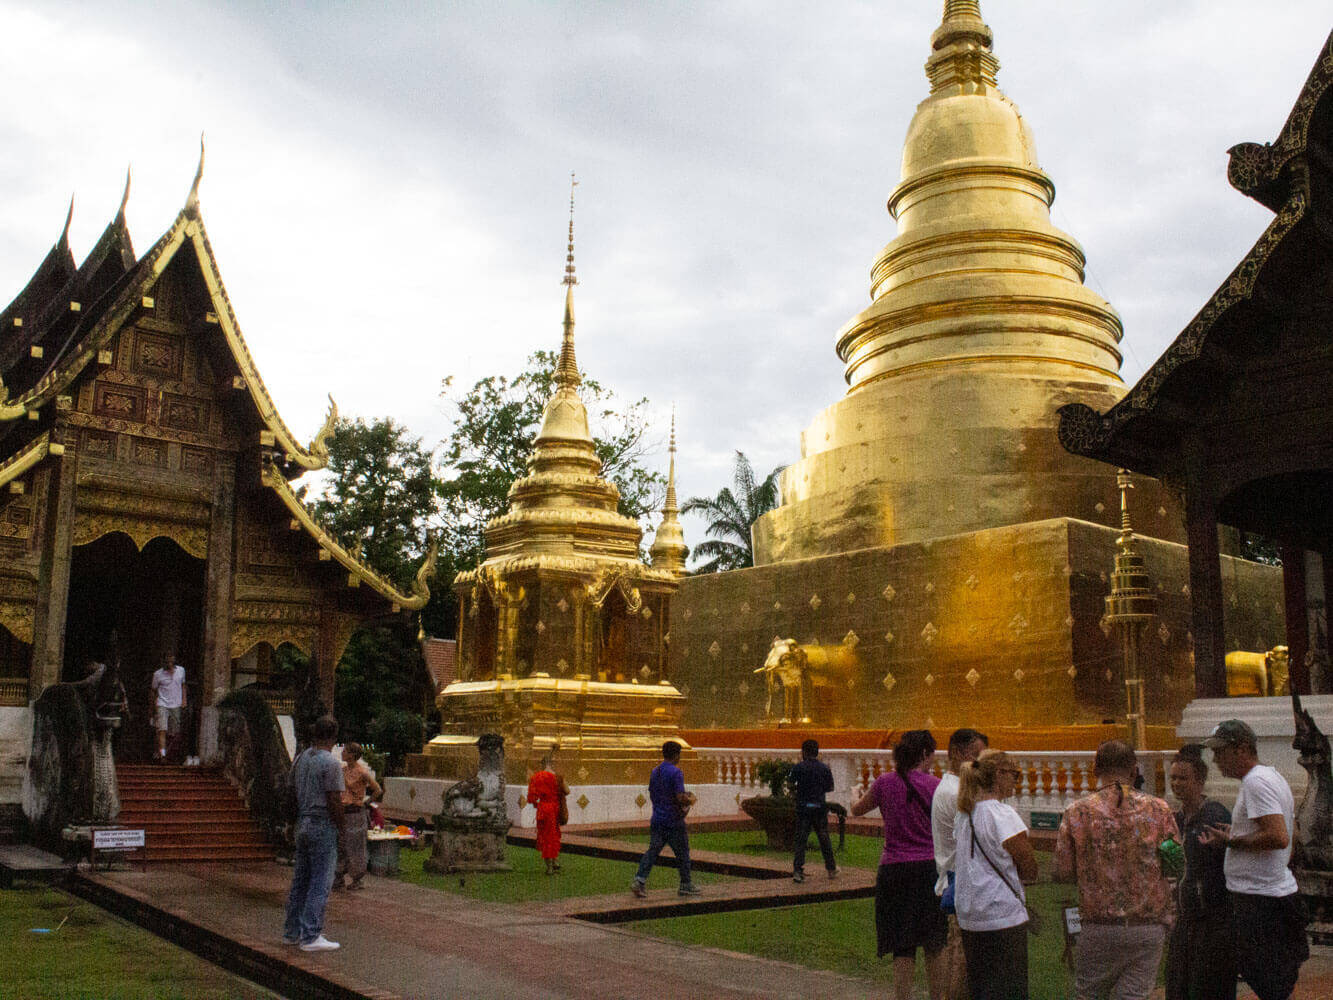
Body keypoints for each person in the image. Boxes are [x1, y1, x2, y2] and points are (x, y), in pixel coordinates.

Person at [1054, 740, 1178, 1000]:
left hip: (1099, 926)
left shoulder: (1077, 812)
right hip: (1147, 925)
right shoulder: (1159, 809)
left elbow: (1062, 871)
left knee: (1089, 995)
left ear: (1095, 769)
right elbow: (1175, 864)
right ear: (1134, 770)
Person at [1199, 719, 1308, 1000]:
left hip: (1261, 901)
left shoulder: (1256, 782)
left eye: (1220, 751)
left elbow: (1278, 836)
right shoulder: (1270, 777)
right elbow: (1290, 833)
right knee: (1274, 983)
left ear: (1241, 749)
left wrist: (1232, 841)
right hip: (1270, 894)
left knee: (1268, 981)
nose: (1216, 759)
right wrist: (1239, 835)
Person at [852, 729, 948, 1000]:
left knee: (902, 944)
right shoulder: (936, 786)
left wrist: (854, 793)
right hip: (929, 868)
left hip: (894, 868)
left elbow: (857, 809)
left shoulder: (885, 782)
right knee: (934, 941)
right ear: (925, 754)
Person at [953, 750, 1037, 1000]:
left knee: (981, 988)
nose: (1016, 781)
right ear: (999, 774)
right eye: (1014, 775)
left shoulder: (965, 815)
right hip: (1002, 915)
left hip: (971, 914)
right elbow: (1028, 864)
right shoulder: (1002, 814)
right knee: (1010, 990)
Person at [1165, 745, 1235, 1000]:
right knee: (1177, 986)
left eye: (1183, 778)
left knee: (1210, 988)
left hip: (1213, 921)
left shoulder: (1215, 816)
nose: (1176, 784)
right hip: (1184, 920)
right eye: (1173, 778)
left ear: (1200, 780)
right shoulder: (1175, 820)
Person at [933, 727, 989, 1000]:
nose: (979, 766)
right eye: (975, 757)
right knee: (961, 962)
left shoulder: (957, 789)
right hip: (961, 885)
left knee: (965, 961)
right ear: (956, 754)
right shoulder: (955, 792)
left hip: (963, 883)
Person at [283, 715, 345, 952]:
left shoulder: (301, 758)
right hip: (321, 822)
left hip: (303, 820)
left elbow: (290, 792)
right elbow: (334, 800)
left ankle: (292, 931)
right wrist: (342, 828)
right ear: (333, 737)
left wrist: (291, 822)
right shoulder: (330, 763)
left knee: (301, 880)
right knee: (320, 880)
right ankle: (310, 934)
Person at [632, 741, 699, 898]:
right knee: (683, 853)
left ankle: (639, 880)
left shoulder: (655, 771)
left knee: (652, 851)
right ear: (676, 755)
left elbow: (652, 793)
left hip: (658, 818)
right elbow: (679, 797)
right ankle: (685, 884)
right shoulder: (676, 773)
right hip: (674, 820)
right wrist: (690, 800)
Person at [333, 742, 382, 891]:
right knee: (340, 844)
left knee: (355, 846)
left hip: (355, 811)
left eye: (346, 751)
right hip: (342, 811)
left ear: (352, 755)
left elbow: (377, 790)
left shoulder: (362, 772)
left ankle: (357, 878)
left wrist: (366, 803)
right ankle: (338, 876)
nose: (342, 753)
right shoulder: (342, 770)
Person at [790, 738, 839, 883]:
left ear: (804, 752)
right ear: (817, 752)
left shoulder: (798, 767)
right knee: (824, 838)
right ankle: (831, 868)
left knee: (801, 839)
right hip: (819, 806)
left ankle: (798, 870)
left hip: (803, 807)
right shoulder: (824, 768)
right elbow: (830, 787)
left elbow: (790, 784)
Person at [527, 756, 570, 876]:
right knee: (554, 835)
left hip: (543, 809)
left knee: (545, 837)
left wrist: (539, 804)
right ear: (552, 764)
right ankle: (553, 863)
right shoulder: (558, 777)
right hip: (555, 809)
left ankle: (550, 866)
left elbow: (531, 798)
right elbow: (567, 791)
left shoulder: (536, 777)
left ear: (542, 765)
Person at [150, 655, 186, 763]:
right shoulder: (158, 674)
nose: (169, 665)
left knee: (174, 732)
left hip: (176, 704)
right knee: (162, 729)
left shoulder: (181, 671)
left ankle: (167, 752)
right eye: (167, 663)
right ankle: (163, 755)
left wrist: (184, 699)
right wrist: (154, 706)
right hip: (162, 703)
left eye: (171, 663)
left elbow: (183, 685)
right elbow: (153, 690)